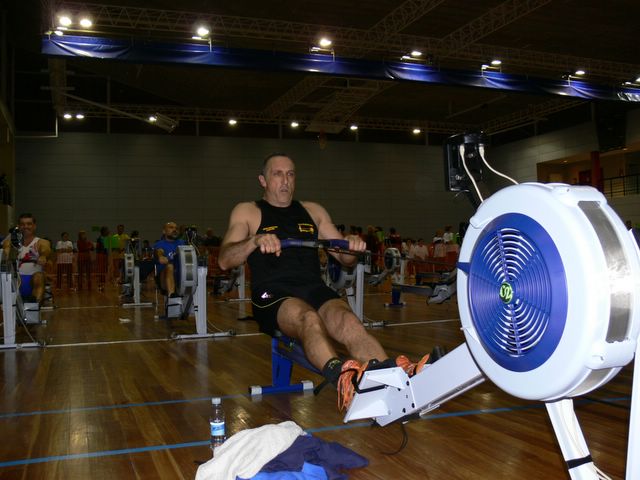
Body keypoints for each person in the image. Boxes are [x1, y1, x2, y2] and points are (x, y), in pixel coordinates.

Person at [218, 153, 428, 410]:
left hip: (312, 288)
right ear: (263, 180)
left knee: (348, 320)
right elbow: (225, 260)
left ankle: (396, 381)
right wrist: (254, 240)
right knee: (308, 318)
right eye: (277, 174)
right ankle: (343, 378)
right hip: (272, 294)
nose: (285, 180)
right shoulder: (248, 211)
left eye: (290, 174)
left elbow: (344, 259)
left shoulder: (313, 211)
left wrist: (352, 246)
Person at [2, 213, 52, 303]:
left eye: (29, 224)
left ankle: (34, 307)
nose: (25, 227)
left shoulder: (41, 242)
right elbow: (5, 252)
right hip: (15, 281)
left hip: (34, 282)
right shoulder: (10, 242)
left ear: (34, 226)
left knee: (39, 276)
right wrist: (6, 253)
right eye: (22, 224)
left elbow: (45, 250)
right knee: (6, 278)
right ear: (18, 226)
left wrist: (43, 256)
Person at [153, 222, 185, 297]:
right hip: (164, 278)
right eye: (171, 227)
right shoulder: (159, 244)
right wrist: (161, 256)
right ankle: (172, 297)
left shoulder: (183, 243)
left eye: (176, 228)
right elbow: (159, 251)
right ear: (164, 231)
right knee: (170, 266)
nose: (174, 230)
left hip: (181, 276)